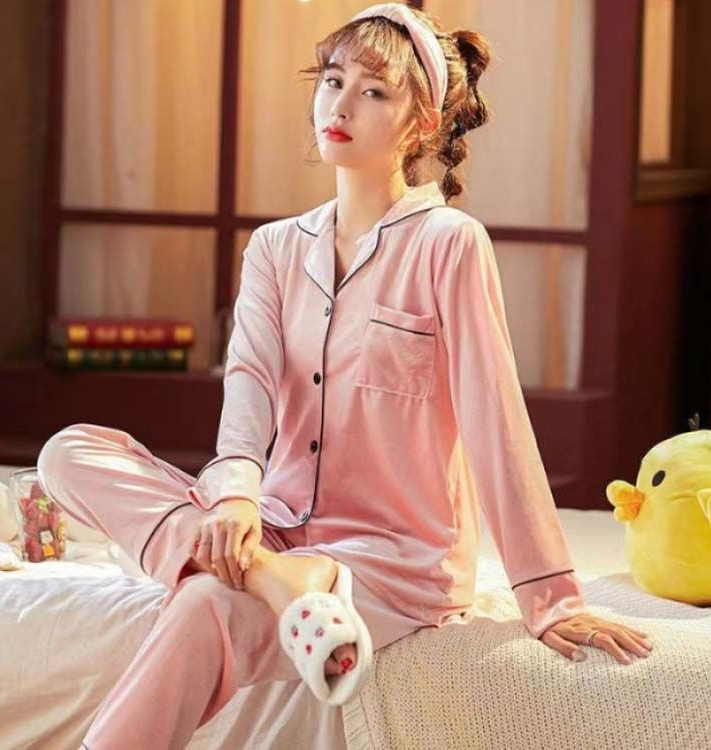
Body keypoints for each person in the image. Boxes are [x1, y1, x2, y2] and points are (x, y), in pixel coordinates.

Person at [36, 3, 653, 748]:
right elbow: (249, 387)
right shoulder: (274, 249)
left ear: (422, 124)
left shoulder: (449, 244)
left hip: (393, 556)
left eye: (373, 91)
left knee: (202, 604)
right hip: (277, 524)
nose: (340, 105)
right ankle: (274, 577)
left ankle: (272, 576)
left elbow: (495, 419)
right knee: (68, 452)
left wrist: (551, 597)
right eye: (332, 81)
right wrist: (235, 498)